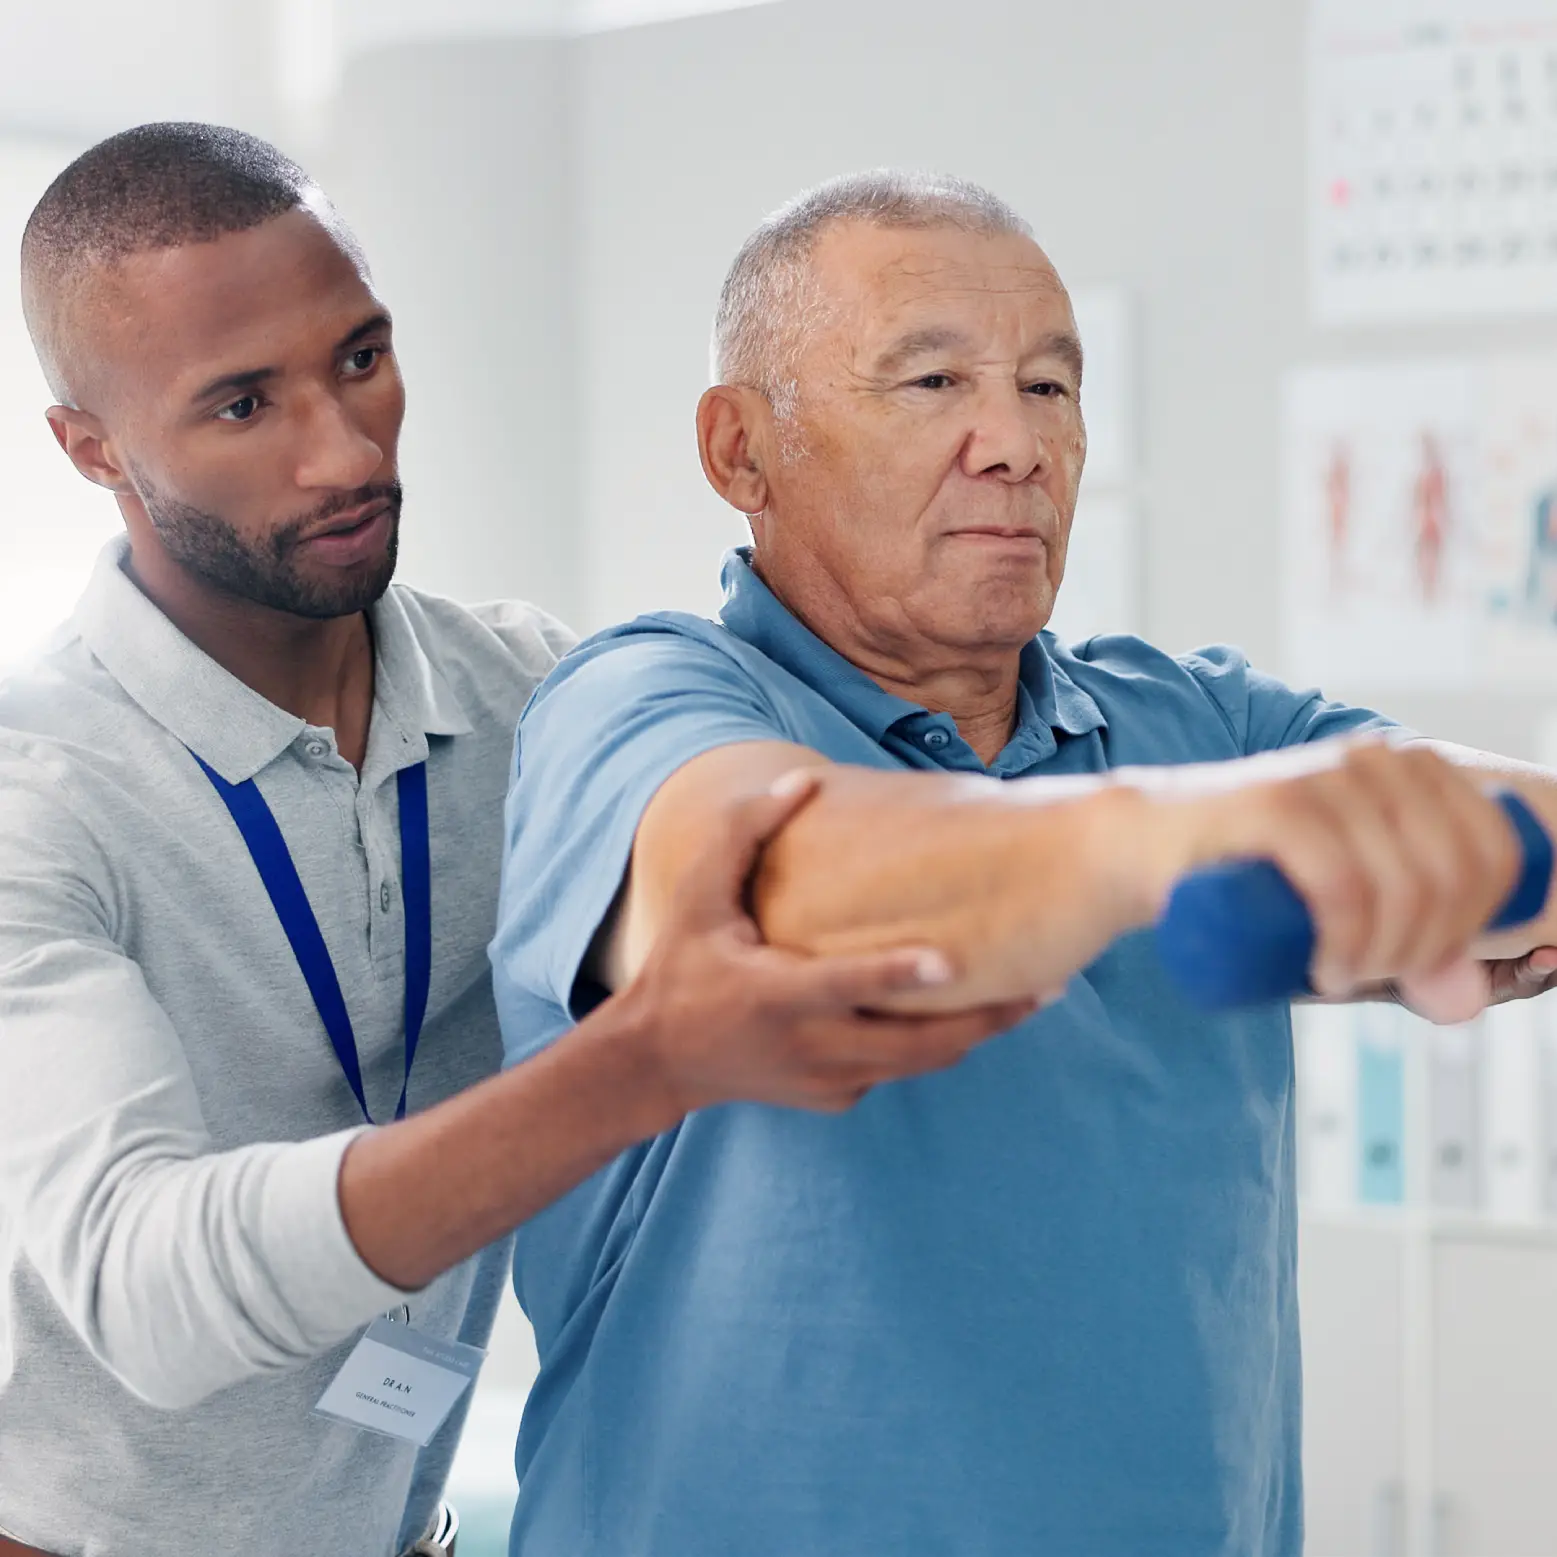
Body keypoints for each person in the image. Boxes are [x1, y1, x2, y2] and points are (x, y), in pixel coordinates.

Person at [491, 170, 1557, 1556]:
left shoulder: (1195, 724)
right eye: (933, 381)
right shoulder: (644, 701)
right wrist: (1193, 837)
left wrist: (1450, 866)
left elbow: (1492, 826)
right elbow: (776, 899)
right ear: (742, 452)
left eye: (1050, 388)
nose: (1015, 445)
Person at [0, 130, 1029, 1557]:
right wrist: (646, 1061)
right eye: (242, 404)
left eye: (362, 358)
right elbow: (146, 1292)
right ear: (92, 448)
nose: (345, 452)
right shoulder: (33, 794)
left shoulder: (534, 692)